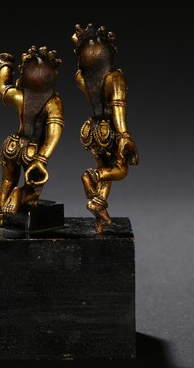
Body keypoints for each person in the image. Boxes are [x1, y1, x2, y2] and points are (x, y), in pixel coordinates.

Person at [72, 24, 139, 233]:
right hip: (109, 130)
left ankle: (98, 208)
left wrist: (80, 45)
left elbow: (82, 66)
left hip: (91, 130)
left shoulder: (82, 78)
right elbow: (118, 108)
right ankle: (90, 176)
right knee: (120, 170)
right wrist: (125, 136)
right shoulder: (114, 77)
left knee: (106, 169)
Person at [0, 46, 64, 226]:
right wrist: (42, 158)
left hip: (12, 144)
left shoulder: (19, 96)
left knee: (7, 181)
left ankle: (2, 216)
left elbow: (2, 88)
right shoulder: (53, 103)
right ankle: (22, 195)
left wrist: (5, 66)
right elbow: (54, 134)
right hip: (33, 150)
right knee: (35, 186)